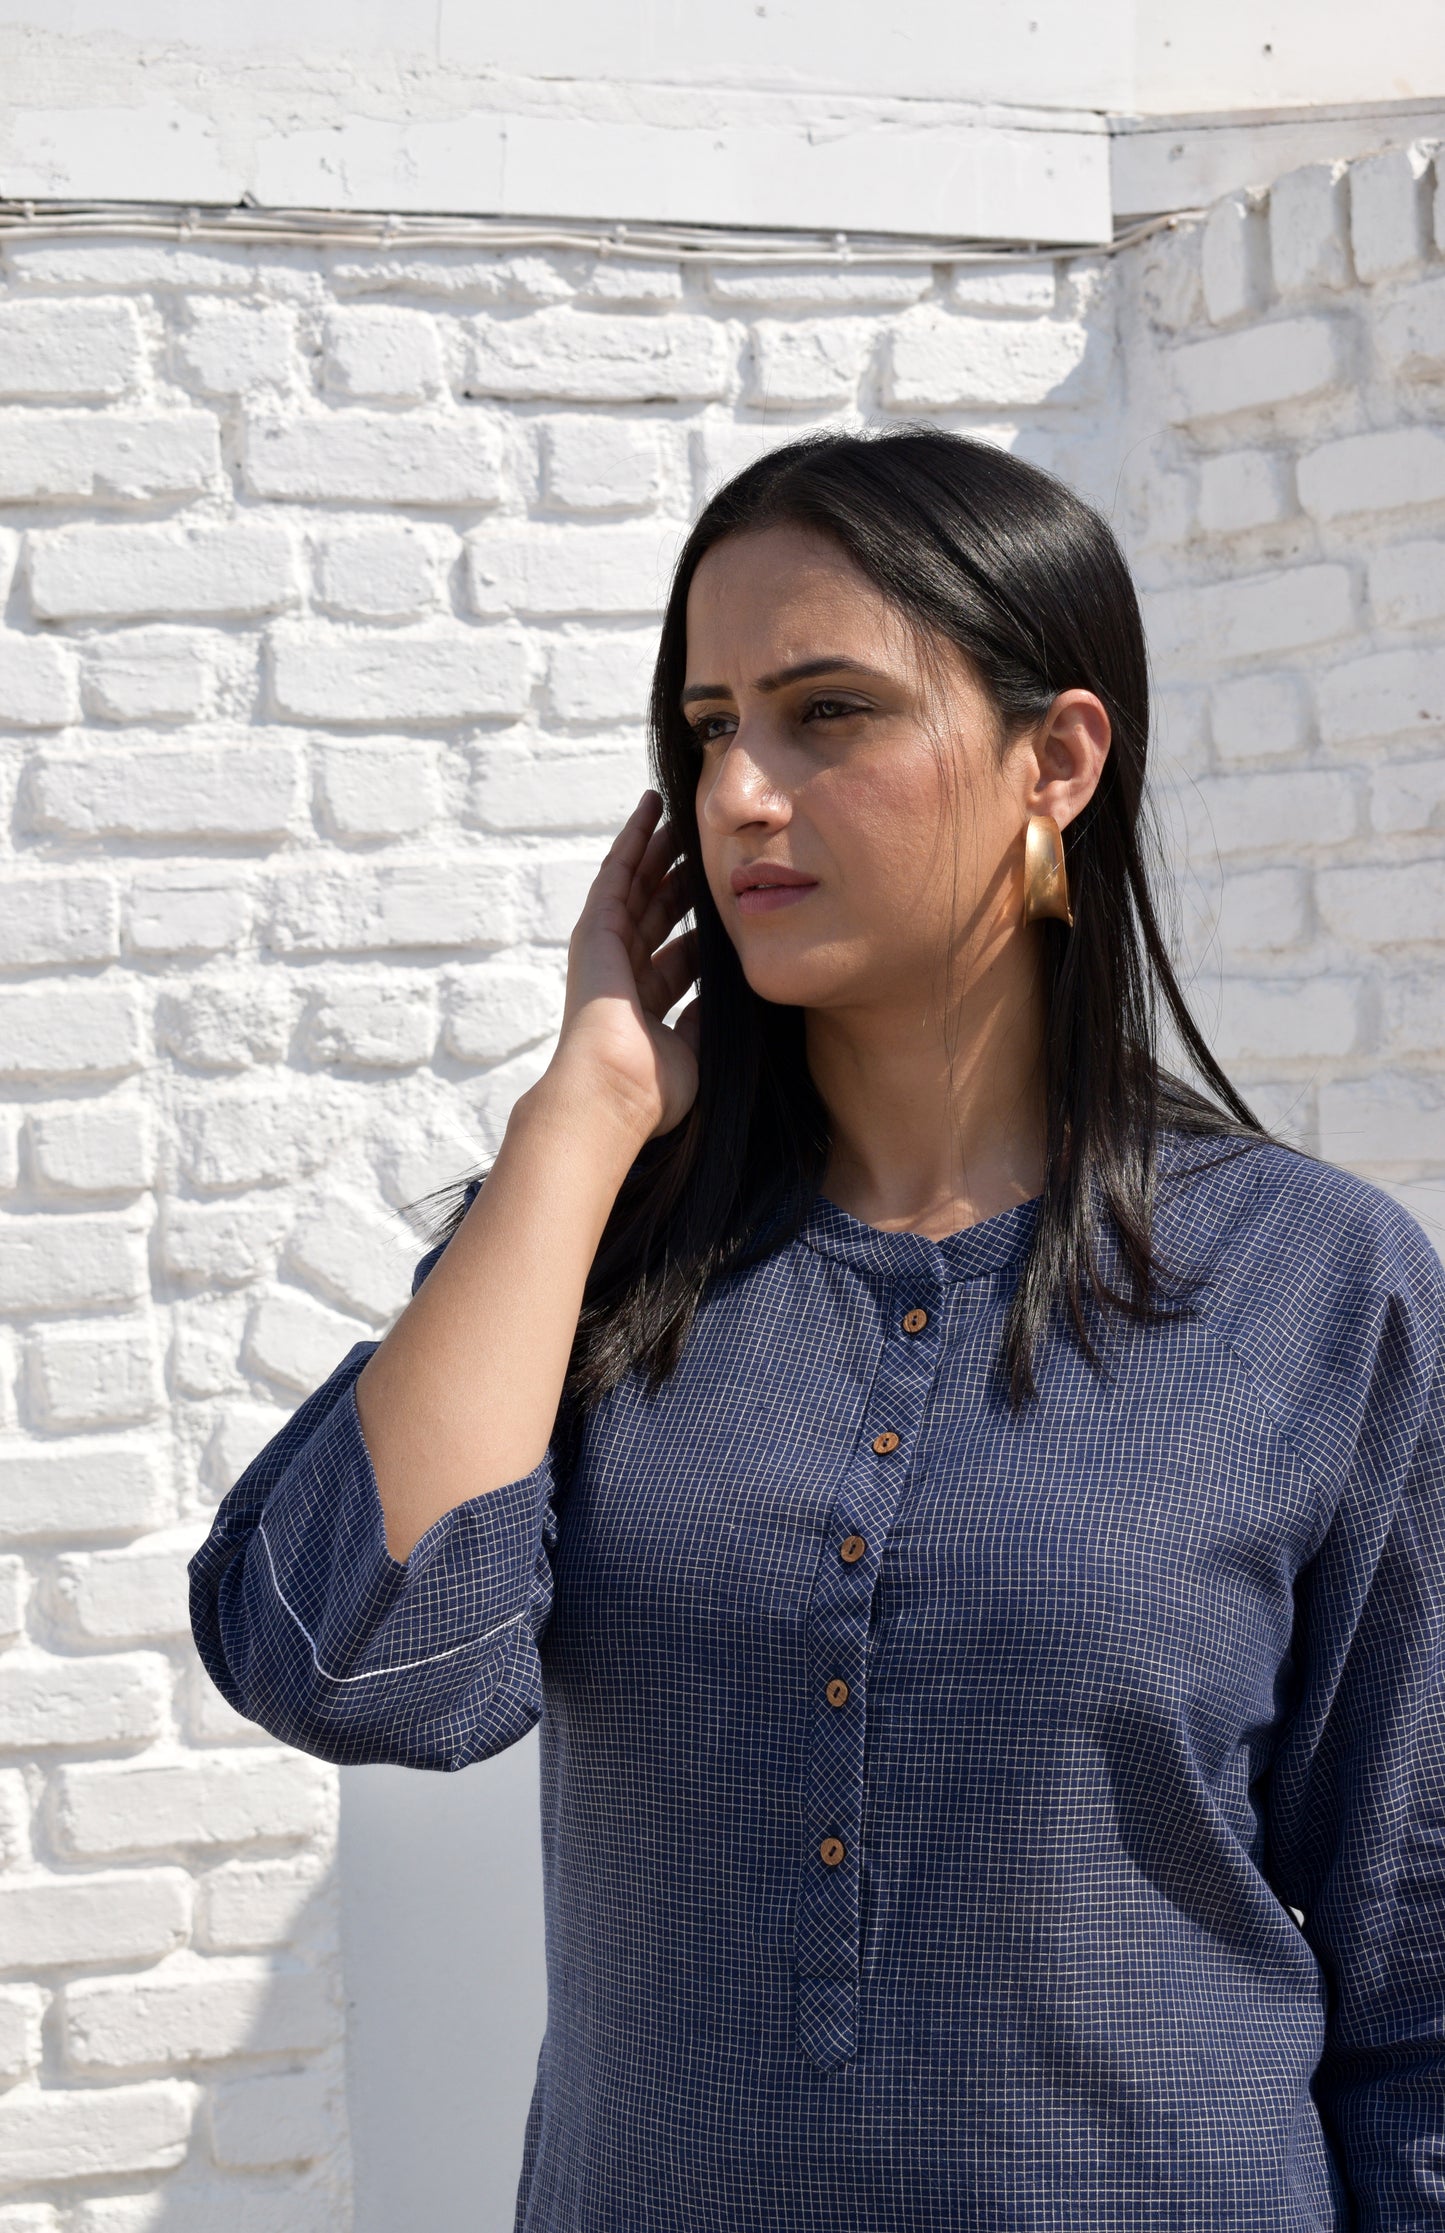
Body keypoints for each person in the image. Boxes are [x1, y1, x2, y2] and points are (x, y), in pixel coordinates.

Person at [190, 429, 1444, 2231]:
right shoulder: (606, 1256)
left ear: (1055, 758)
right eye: (708, 728)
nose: (742, 794)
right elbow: (354, 1668)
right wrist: (586, 1107)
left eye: (825, 712)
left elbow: (1419, 1980)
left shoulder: (1316, 1286)